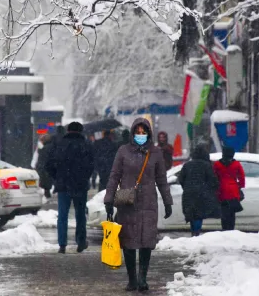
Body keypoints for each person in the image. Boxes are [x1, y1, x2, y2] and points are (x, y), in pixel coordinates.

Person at [104, 118, 173, 292]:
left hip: (149, 203)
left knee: (146, 241)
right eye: (138, 132)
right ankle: (132, 279)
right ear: (133, 133)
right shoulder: (123, 151)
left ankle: (143, 278)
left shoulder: (155, 152)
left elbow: (162, 180)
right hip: (128, 203)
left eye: (144, 132)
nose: (140, 135)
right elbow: (114, 176)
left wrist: (167, 201)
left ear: (148, 134)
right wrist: (108, 199)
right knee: (128, 242)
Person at [49, 122, 94, 254]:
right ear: (81, 131)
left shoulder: (59, 145)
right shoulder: (86, 145)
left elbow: (49, 164)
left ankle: (62, 244)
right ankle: (81, 242)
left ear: (68, 131)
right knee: (80, 214)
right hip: (80, 185)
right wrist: (85, 176)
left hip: (63, 185)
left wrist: (57, 177)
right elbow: (91, 165)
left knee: (62, 215)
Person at [178, 145, 220, 237]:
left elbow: (180, 179)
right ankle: (196, 233)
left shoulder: (187, 165)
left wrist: (187, 187)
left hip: (188, 193)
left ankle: (193, 232)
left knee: (191, 214)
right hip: (202, 193)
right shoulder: (206, 165)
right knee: (199, 214)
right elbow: (213, 180)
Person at [213, 147, 245, 231]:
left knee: (224, 212)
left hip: (222, 190)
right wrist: (239, 186)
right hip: (233, 190)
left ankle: (225, 229)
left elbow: (214, 177)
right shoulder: (236, 164)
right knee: (232, 212)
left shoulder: (217, 164)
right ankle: (231, 229)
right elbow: (242, 177)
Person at [35, 134, 53, 202]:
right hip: (46, 168)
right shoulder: (48, 147)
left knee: (45, 182)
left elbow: (42, 158)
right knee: (46, 184)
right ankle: (47, 195)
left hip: (44, 168)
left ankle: (47, 196)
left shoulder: (45, 148)